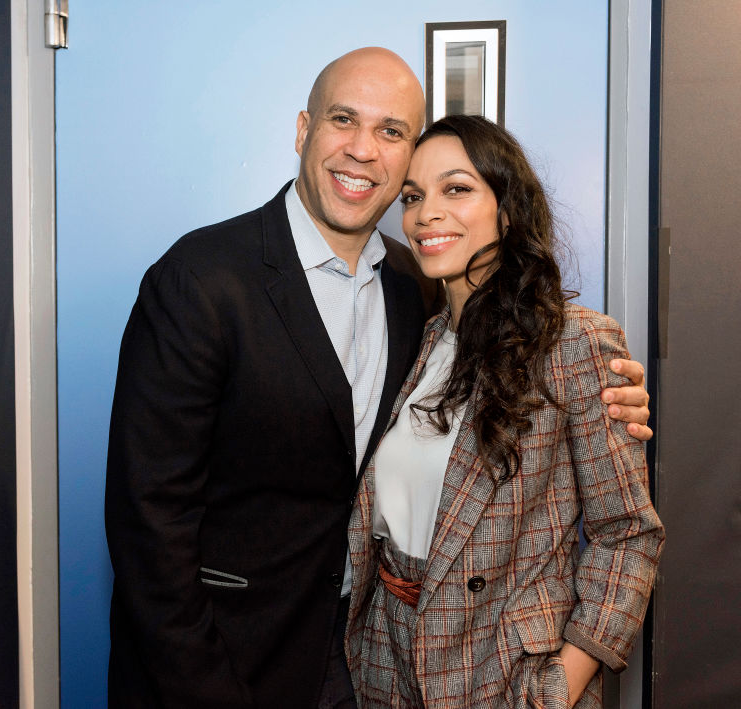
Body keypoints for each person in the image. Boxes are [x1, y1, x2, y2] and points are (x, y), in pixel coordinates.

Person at [106, 48, 652, 709]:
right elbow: (148, 521)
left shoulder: (411, 287)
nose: (364, 150)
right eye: (344, 120)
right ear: (303, 130)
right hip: (227, 659)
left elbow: (618, 521)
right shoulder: (200, 278)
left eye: (391, 131)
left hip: (372, 664)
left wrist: (610, 398)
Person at [345, 115, 664, 709]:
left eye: (456, 188)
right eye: (412, 196)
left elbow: (628, 533)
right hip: (387, 657)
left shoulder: (573, 343)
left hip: (502, 671)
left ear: (508, 210)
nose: (426, 213)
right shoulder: (420, 336)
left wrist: (559, 685)